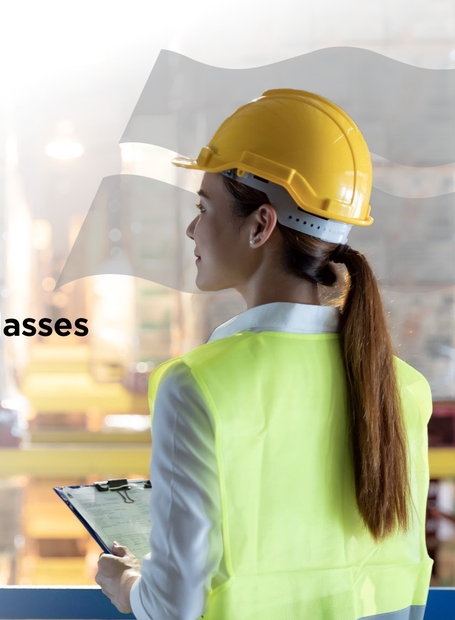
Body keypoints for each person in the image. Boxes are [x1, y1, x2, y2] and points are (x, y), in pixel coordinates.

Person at [94, 89, 433, 619]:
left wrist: (125, 583)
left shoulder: (198, 386)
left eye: (204, 208)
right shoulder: (404, 387)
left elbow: (172, 606)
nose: (192, 229)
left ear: (260, 225)